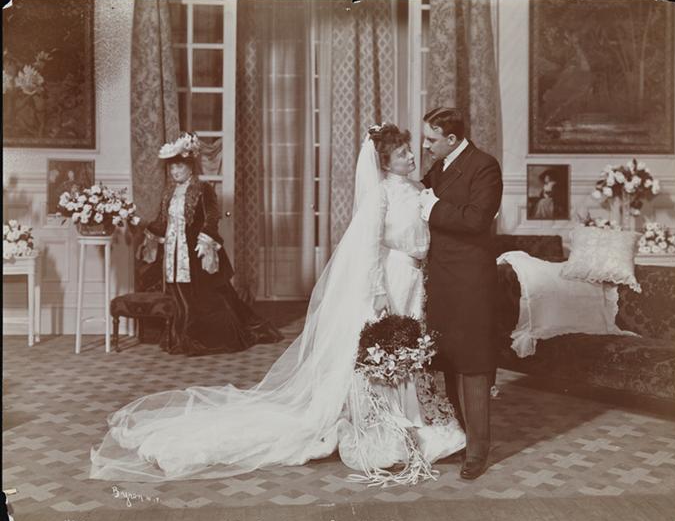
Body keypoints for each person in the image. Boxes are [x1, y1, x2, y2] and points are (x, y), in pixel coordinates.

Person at [90, 124, 465, 484]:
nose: (411, 156)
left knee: (411, 347)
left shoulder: (417, 187)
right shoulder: (380, 194)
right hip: (391, 279)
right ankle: (385, 419)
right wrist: (379, 291)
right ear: (384, 162)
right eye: (402, 153)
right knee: (387, 348)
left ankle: (415, 414)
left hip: (414, 278)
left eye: (409, 150)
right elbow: (369, 247)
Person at [137, 131, 282, 355]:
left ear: (190, 167)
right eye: (172, 168)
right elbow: (162, 221)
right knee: (180, 296)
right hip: (174, 254)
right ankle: (182, 337)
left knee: (205, 298)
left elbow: (212, 217)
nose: (175, 171)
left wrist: (205, 241)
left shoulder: (202, 189)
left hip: (196, 252)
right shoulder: (170, 192)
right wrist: (140, 226)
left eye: (179, 167)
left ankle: (200, 338)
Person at [419, 107, 503, 480]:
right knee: (450, 360)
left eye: (431, 139)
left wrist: (433, 207)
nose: (425, 146)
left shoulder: (484, 166)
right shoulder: (440, 165)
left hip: (470, 281)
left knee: (473, 363)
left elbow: (475, 219)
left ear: (452, 139)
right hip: (442, 278)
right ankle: (462, 437)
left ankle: (478, 451)